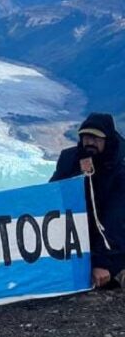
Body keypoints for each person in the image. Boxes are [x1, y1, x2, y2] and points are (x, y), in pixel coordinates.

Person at [50, 112, 125, 289]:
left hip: (116, 244)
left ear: (108, 139)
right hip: (79, 242)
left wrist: (103, 262)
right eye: (85, 136)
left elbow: (114, 220)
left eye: (95, 138)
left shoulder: (120, 170)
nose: (89, 142)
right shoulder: (69, 160)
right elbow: (51, 196)